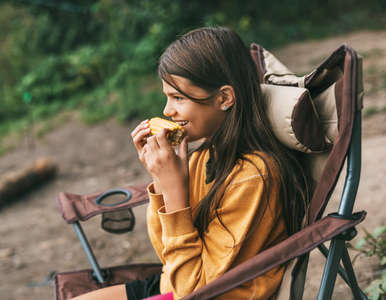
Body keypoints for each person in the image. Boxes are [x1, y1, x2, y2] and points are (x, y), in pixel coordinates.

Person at [72, 26, 310, 300]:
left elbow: (194, 292)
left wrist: (174, 190)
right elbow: (167, 256)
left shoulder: (253, 176)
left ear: (224, 98)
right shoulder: (203, 156)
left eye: (178, 98)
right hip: (177, 281)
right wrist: (162, 180)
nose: (166, 111)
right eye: (167, 97)